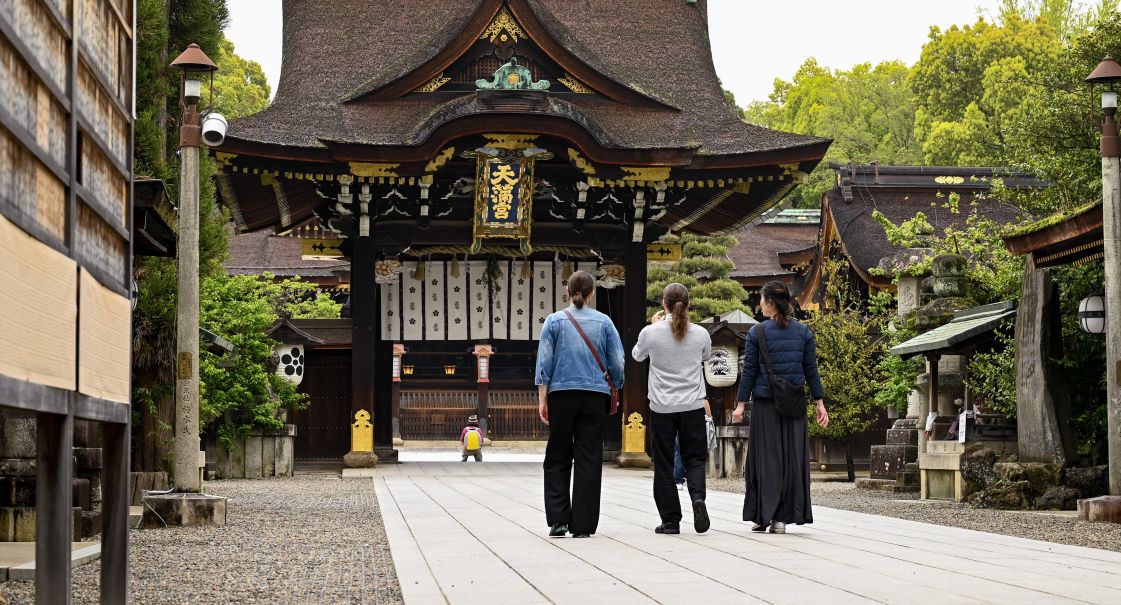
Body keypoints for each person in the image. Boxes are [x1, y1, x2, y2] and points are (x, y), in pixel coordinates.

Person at [733, 281, 829, 535]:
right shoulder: (803, 332)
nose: (759, 304)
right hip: (795, 405)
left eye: (762, 300)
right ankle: (782, 519)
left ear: (770, 303)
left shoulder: (758, 333)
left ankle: (765, 515)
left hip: (766, 406)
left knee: (766, 461)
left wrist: (741, 405)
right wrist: (820, 402)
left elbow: (749, 372)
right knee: (791, 461)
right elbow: (811, 371)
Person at [535, 270, 624, 539]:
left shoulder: (554, 321)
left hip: (561, 394)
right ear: (592, 293)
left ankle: (559, 519)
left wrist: (542, 397)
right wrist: (614, 385)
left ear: (568, 291)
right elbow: (617, 363)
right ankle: (584, 524)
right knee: (588, 456)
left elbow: (544, 363)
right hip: (594, 396)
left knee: (558, 455)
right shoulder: (605, 322)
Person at [632, 283, 712, 535]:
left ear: (663, 305)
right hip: (692, 404)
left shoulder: (651, 332)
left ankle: (670, 520)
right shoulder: (700, 333)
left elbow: (637, 355)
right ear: (688, 305)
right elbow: (706, 357)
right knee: (695, 459)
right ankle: (698, 500)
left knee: (664, 463)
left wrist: (654, 325)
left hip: (662, 406)